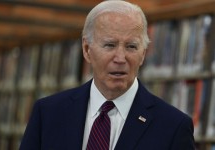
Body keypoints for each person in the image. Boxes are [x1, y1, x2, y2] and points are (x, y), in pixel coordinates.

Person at [19, 0, 195, 150]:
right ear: (87, 50)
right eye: (110, 45)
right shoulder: (48, 113)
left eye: (131, 47)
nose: (120, 58)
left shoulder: (174, 126)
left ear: (143, 54)